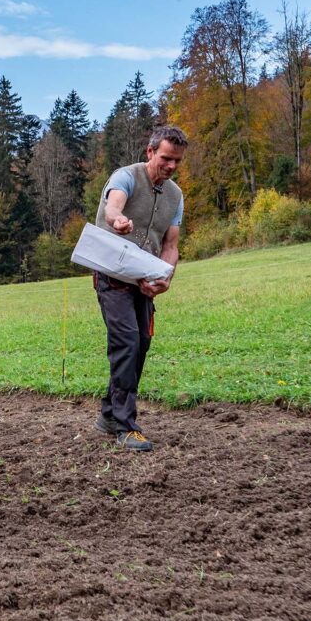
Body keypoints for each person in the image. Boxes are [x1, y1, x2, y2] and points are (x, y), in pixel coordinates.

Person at [92, 125, 188, 452]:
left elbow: (171, 245)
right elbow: (112, 205)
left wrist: (167, 278)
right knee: (127, 341)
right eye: (165, 158)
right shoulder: (127, 177)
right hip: (112, 275)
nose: (171, 165)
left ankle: (108, 413)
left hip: (144, 280)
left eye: (177, 160)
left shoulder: (175, 195)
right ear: (150, 152)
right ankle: (124, 424)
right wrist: (117, 219)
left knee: (142, 342)